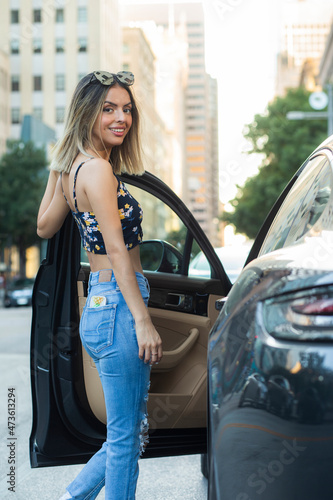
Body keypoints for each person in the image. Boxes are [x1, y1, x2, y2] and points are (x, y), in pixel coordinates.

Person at [37, 70, 163, 500]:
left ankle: (72, 496)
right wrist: (143, 321)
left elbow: (44, 226)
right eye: (108, 109)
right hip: (121, 307)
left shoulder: (75, 170)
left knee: (128, 434)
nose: (120, 118)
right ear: (87, 113)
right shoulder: (99, 171)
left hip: (99, 307)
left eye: (126, 109)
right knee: (127, 439)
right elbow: (117, 251)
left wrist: (57, 165)